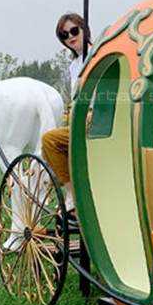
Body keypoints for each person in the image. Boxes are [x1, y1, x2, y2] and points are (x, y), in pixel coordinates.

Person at [42, 13, 92, 212]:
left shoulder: (98, 53)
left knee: (50, 140)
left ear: (84, 29)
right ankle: (74, 190)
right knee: (52, 145)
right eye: (64, 35)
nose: (70, 37)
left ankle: (72, 194)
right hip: (81, 119)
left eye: (74, 30)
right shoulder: (74, 66)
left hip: (96, 119)